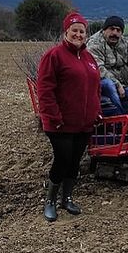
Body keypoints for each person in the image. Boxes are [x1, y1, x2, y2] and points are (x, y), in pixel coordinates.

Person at [36, 11, 101, 221]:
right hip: (60, 123)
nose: (78, 34)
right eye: (74, 30)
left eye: (82, 31)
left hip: (84, 123)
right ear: (66, 32)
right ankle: (50, 201)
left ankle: (68, 198)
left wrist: (96, 110)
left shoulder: (89, 58)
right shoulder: (54, 56)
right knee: (62, 160)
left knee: (74, 162)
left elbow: (96, 88)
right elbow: (44, 90)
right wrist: (54, 117)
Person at [86, 15, 128, 116]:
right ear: (104, 30)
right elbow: (99, 70)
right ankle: (120, 121)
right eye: (112, 29)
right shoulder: (94, 44)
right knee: (109, 85)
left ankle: (113, 114)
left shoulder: (125, 43)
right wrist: (117, 84)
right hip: (100, 85)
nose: (115, 33)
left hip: (122, 85)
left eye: (118, 30)